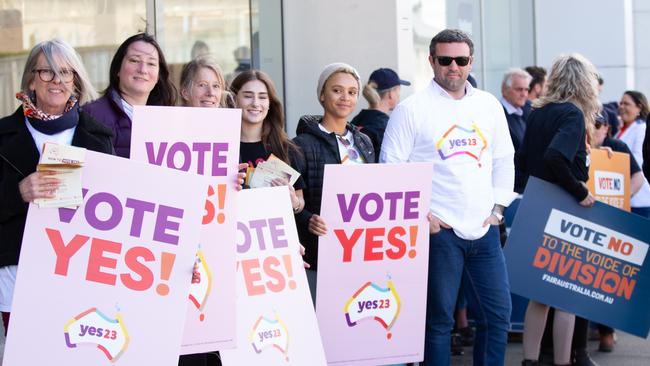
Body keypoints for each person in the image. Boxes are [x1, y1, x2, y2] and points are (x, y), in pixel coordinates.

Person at [381, 29, 516, 365]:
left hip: (484, 231)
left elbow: (503, 159)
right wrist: (421, 215)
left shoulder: (488, 105)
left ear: (472, 62)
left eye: (461, 60)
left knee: (497, 317)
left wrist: (498, 210)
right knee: (438, 323)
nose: (453, 67)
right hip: (438, 234)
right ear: (432, 62)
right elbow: (391, 169)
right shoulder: (411, 110)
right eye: (445, 60)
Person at [0, 39, 114, 335]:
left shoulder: (99, 137)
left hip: (80, 273)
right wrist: (17, 193)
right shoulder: (2, 136)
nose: (57, 80)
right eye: (47, 72)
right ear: (31, 80)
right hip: (18, 272)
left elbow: (120, 205)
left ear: (75, 80)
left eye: (65, 72)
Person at [516, 53, 601, 366]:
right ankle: (564, 362)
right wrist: (579, 192)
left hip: (537, 203)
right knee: (567, 295)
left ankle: (530, 361)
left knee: (540, 295)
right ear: (584, 83)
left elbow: (522, 161)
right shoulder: (572, 114)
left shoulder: (538, 112)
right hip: (563, 207)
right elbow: (555, 157)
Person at [293, 63, 375, 300]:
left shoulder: (365, 142)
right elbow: (289, 201)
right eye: (337, 90)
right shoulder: (301, 145)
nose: (345, 98)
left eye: (352, 92)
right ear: (322, 94)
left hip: (360, 251)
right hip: (321, 252)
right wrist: (308, 220)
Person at [83, 33, 177, 158]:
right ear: (117, 69)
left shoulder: (169, 120)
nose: (143, 69)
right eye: (134, 60)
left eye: (151, 63)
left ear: (158, 75)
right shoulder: (92, 115)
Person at [230, 69, 305, 212]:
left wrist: (294, 202)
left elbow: (300, 199)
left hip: (270, 230)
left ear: (270, 103)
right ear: (235, 99)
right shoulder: (221, 147)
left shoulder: (285, 148)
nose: (256, 103)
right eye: (247, 96)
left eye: (263, 97)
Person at [350, 67, 410, 157]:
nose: (399, 95)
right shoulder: (388, 126)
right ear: (391, 94)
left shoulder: (356, 119)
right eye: (398, 90)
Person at [614, 90, 650, 218]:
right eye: (621, 103)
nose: (621, 107)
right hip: (625, 196)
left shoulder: (641, 129)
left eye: (627, 104)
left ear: (639, 107)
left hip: (639, 199)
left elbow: (639, 161)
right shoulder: (620, 130)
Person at [500, 68, 532, 193]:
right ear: (505, 90)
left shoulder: (527, 111)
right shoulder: (498, 114)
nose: (524, 94)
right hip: (510, 188)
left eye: (526, 89)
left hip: (525, 186)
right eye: (519, 89)